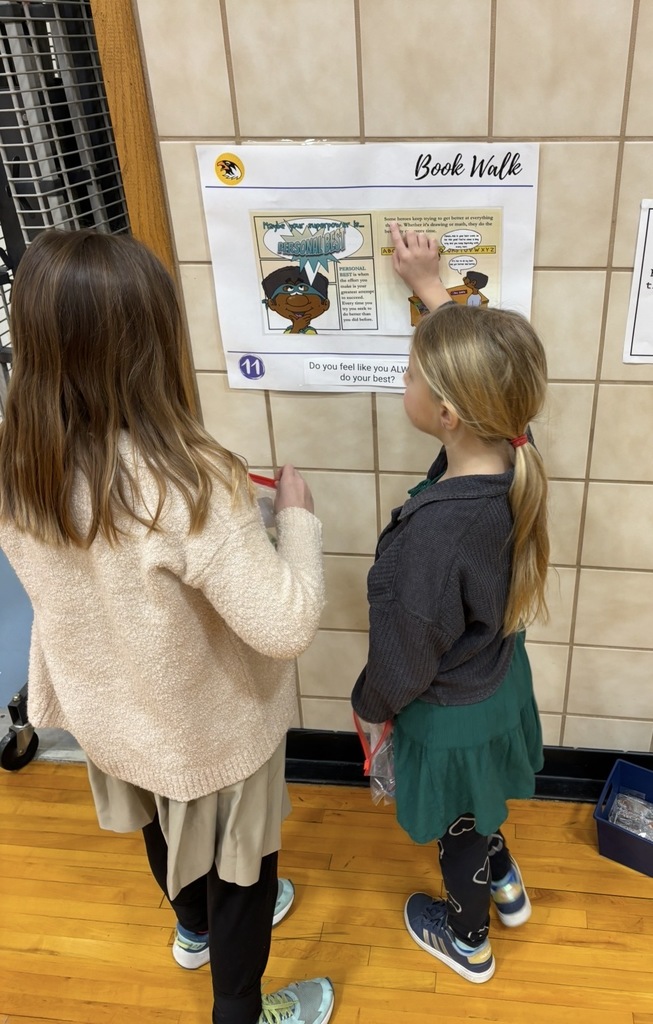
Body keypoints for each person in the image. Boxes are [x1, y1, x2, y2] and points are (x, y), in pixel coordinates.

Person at [0, 229, 334, 1024]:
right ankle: (242, 1011)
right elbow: (284, 623)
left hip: (112, 716)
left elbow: (117, 566)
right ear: (152, 343)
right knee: (243, 873)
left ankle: (190, 929)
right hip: (207, 729)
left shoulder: (19, 463)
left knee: (160, 819)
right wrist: (294, 521)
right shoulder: (190, 483)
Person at [352, 222, 548, 985]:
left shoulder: (432, 538)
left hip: (450, 716)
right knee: (479, 805)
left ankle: (469, 942)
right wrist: (432, 292)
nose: (400, 381)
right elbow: (486, 391)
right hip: (498, 688)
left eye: (408, 374)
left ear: (447, 415)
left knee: (455, 827)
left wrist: (369, 705)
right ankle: (504, 883)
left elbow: (402, 659)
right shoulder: (512, 455)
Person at [261, 266, 330, 334]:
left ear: (325, 304)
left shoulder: (311, 331)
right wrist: (296, 328)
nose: (296, 299)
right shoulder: (289, 331)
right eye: (287, 289)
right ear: (272, 304)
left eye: (304, 288)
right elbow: (287, 341)